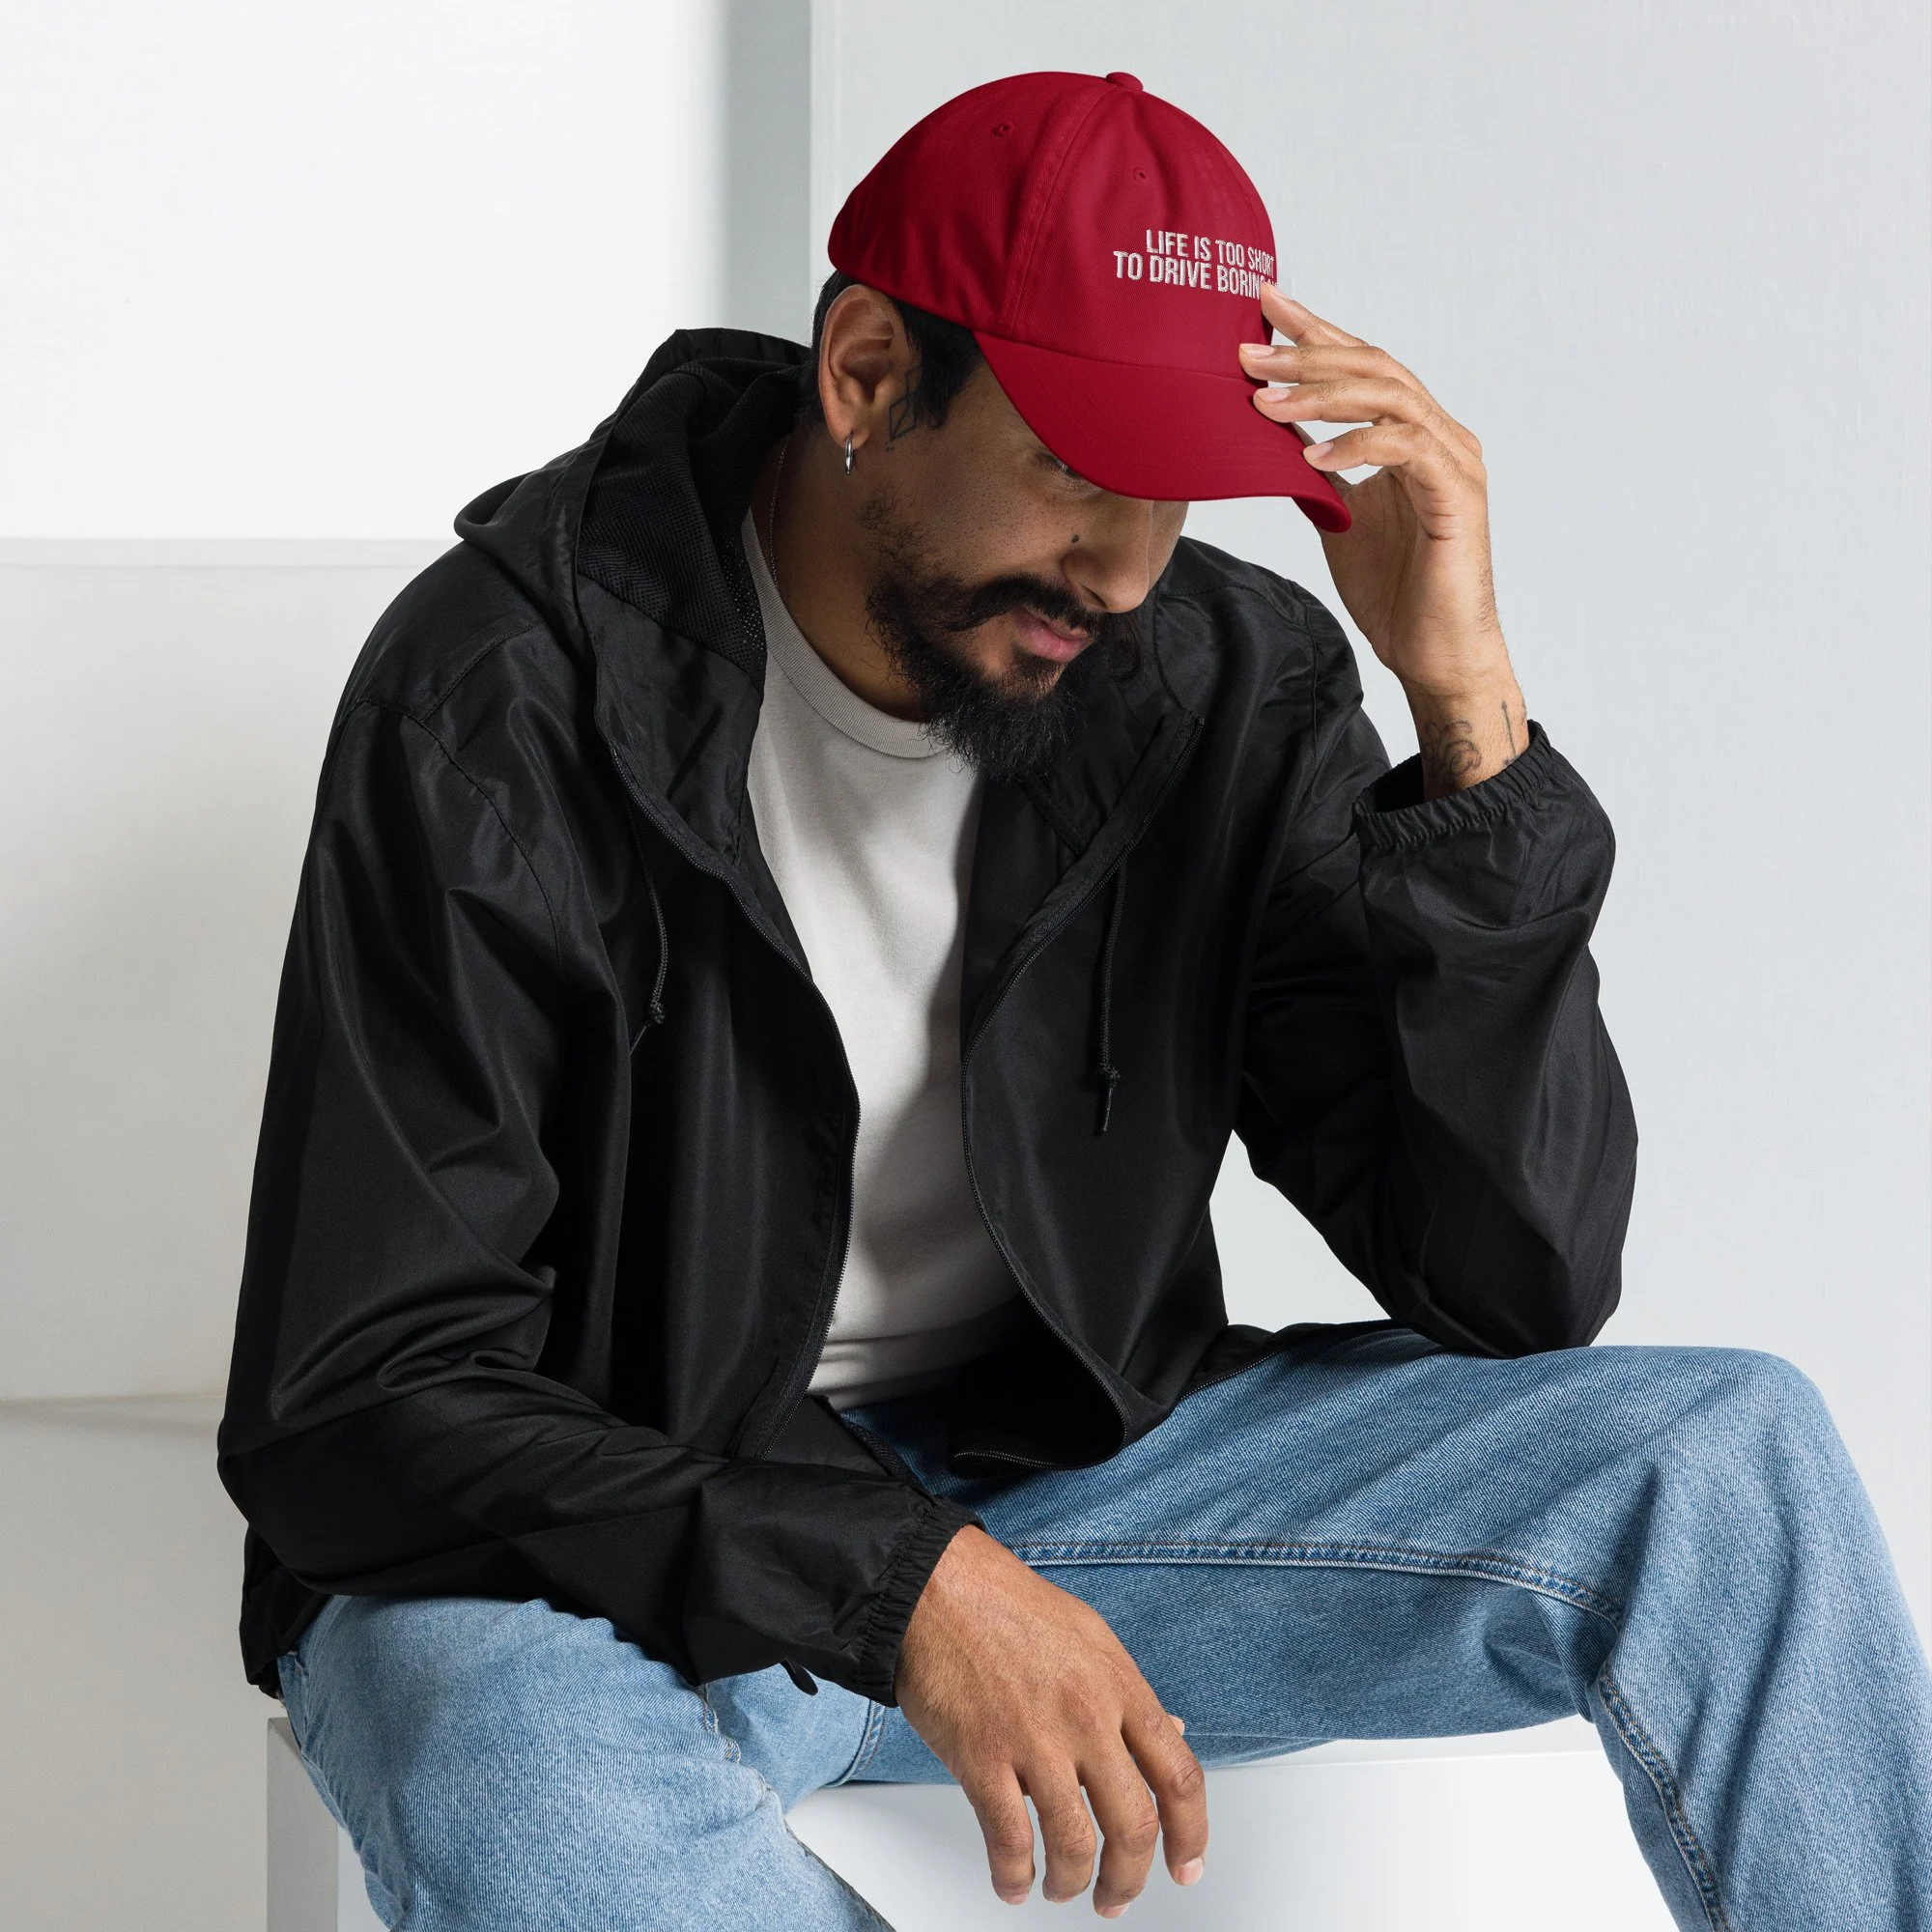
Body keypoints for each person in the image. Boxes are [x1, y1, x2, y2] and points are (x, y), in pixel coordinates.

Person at [219, 70, 1931, 1931]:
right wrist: (903, 1586)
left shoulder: (1215, 678)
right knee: (521, 1785)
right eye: (1078, 468)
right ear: (867, 375)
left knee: (1727, 1456)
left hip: (1067, 1488)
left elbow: (1516, 1284)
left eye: (1175, 485)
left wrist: (1464, 716)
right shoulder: (498, 692)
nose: (1124, 567)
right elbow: (358, 1397)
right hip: (615, 1547)